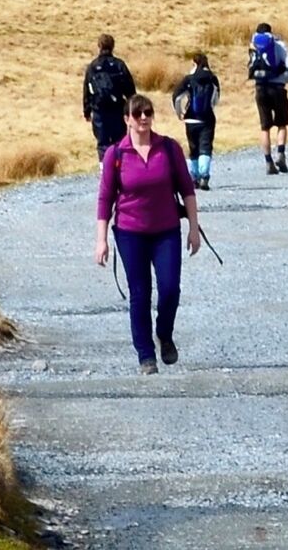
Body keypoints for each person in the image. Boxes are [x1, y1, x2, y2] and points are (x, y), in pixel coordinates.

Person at [92, 91, 205, 372]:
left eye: (148, 113)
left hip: (166, 230)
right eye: (138, 114)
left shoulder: (169, 148)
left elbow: (187, 190)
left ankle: (164, 334)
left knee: (170, 290)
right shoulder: (116, 154)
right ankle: (145, 355)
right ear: (127, 119)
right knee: (140, 294)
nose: (144, 118)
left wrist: (193, 228)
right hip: (130, 233)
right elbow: (105, 198)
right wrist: (101, 240)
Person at [246, 21, 288, 174]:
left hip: (260, 88)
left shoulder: (253, 46)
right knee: (282, 123)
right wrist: (287, 79)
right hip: (278, 88)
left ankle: (268, 162)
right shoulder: (279, 45)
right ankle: (280, 154)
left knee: (265, 127)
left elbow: (250, 67)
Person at [173, 48, 223, 187]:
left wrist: (180, 113)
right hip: (207, 118)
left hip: (190, 119)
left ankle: (194, 176)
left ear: (194, 63)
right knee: (205, 146)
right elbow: (216, 98)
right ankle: (204, 175)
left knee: (193, 148)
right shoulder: (213, 78)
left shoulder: (188, 79)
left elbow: (177, 97)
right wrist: (210, 107)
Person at [80, 33, 134, 153]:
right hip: (117, 110)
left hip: (99, 110)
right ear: (113, 46)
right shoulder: (119, 65)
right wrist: (132, 108)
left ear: (99, 46)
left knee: (103, 143)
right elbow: (130, 89)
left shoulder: (93, 67)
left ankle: (104, 168)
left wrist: (87, 111)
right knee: (120, 141)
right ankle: (120, 168)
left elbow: (87, 90)